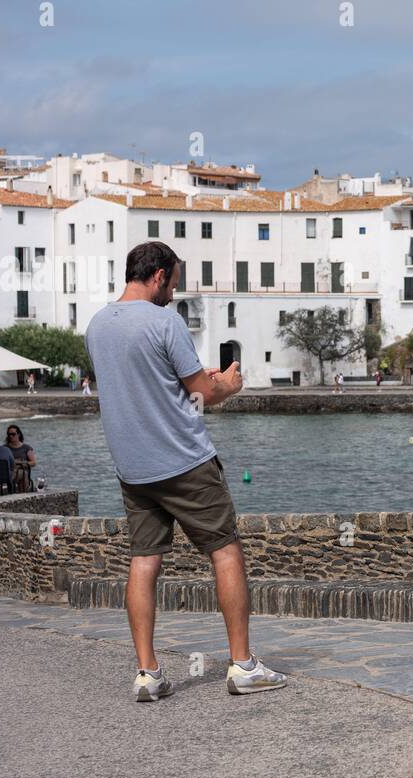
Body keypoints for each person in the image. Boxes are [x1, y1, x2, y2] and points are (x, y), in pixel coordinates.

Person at [85, 241, 287, 701]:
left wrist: (197, 377)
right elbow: (204, 395)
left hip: (133, 468)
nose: (174, 295)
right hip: (184, 460)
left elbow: (144, 381)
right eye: (172, 284)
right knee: (226, 551)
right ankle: (242, 665)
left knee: (144, 561)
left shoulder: (97, 325)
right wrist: (228, 385)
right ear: (157, 276)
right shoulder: (164, 321)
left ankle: (147, 673)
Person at [4, 424, 35, 491]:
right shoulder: (5, 448)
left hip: (22, 471)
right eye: (9, 434)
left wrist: (21, 463)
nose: (11, 436)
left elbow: (33, 462)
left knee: (23, 473)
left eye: (13, 434)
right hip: (9, 472)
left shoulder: (26, 448)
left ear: (18, 434)